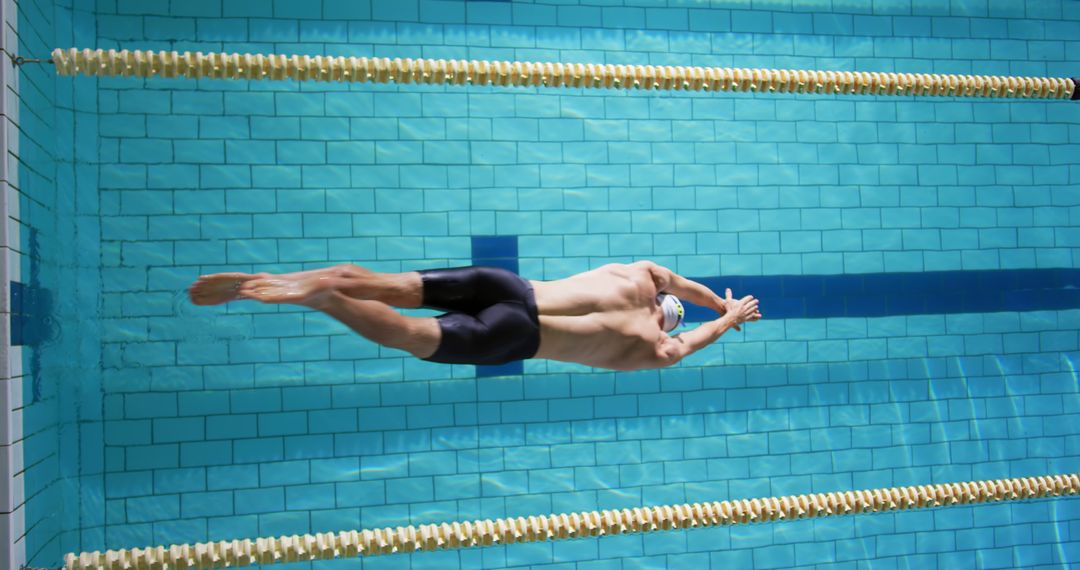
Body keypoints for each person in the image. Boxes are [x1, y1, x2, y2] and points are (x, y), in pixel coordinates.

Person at [188, 262, 761, 371]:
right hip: (518, 336)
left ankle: (316, 280)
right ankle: (323, 300)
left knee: (390, 284)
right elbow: (690, 345)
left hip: (510, 284)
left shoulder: (640, 273)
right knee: (408, 336)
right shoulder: (649, 347)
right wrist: (727, 320)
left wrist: (720, 299)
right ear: (666, 322)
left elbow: (683, 284)